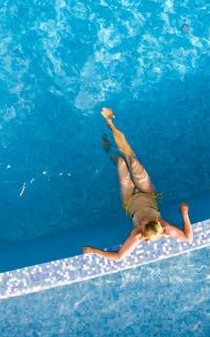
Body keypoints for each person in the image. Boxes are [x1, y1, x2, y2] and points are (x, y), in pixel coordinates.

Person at [82, 107, 193, 261]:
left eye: (142, 223)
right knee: (132, 161)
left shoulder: (137, 235)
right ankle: (110, 123)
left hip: (129, 200)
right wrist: (184, 214)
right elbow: (188, 238)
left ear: (141, 231)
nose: (143, 220)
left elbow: (119, 257)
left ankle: (108, 149)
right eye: (148, 221)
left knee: (121, 162)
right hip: (147, 193)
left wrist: (94, 250)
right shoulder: (164, 226)